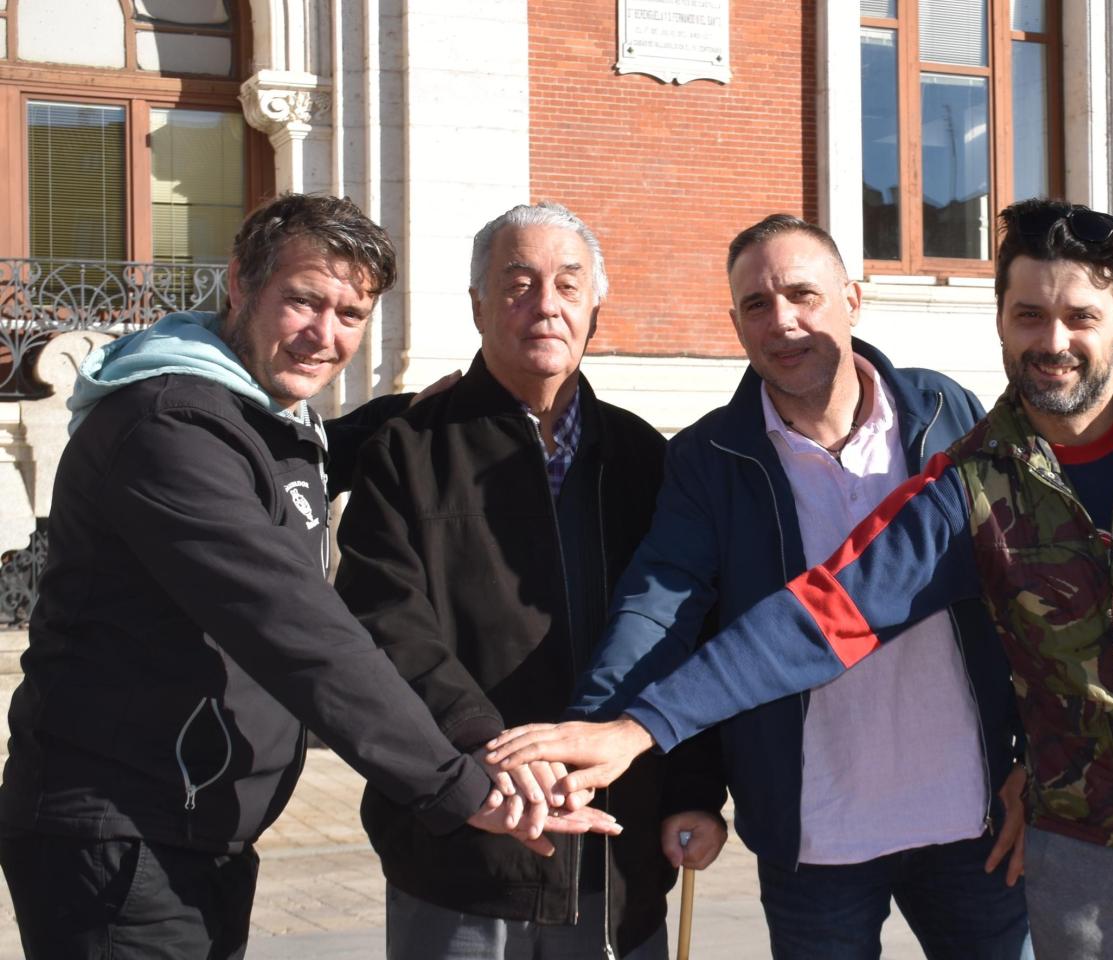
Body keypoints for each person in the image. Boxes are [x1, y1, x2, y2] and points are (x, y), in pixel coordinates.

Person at [490, 198, 1113, 959]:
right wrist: (632, 729)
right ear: (1001, 322)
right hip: (1074, 849)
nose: (1052, 342)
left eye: (1078, 317)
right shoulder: (976, 477)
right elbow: (815, 615)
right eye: (1027, 316)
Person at [0, 193, 602, 959]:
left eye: (351, 314)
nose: (325, 335)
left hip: (192, 823)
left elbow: (287, 466)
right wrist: (454, 784)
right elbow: (298, 629)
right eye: (304, 301)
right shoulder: (165, 426)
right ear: (241, 287)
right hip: (120, 834)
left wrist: (397, 423)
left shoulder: (252, 412)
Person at [570, 214, 1030, 959]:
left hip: (972, 822)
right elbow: (660, 609)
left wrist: (1029, 765)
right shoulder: (707, 457)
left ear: (853, 297)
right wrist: (596, 729)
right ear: (735, 324)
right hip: (814, 838)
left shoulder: (950, 415)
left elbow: (1028, 595)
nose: (782, 321)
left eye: (802, 295)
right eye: (757, 305)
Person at [333, 202, 728, 960]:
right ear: (478, 306)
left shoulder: (644, 459)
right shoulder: (409, 452)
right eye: (517, 284)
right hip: (460, 849)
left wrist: (693, 794)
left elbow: (689, 630)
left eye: (567, 285)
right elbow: (388, 626)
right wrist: (498, 754)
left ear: (594, 307)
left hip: (620, 854)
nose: (545, 305)